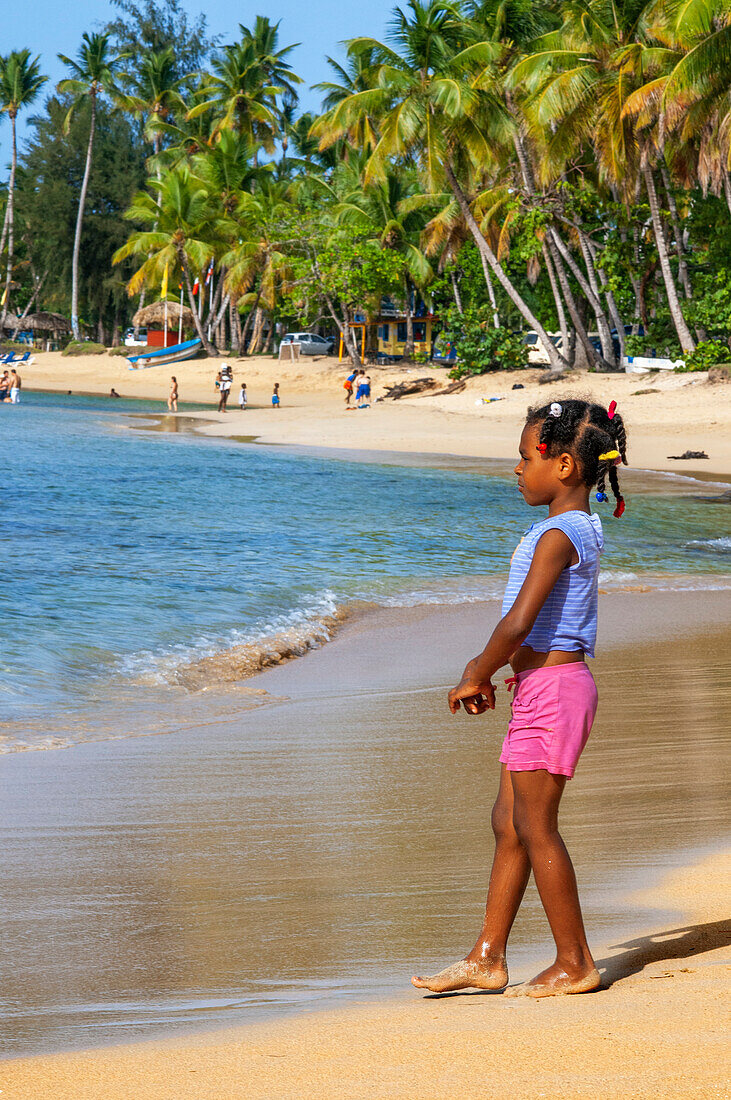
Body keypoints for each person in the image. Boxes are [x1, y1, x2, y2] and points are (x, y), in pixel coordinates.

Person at [412, 398, 628, 1000]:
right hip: (539, 687)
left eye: (524, 457)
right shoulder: (564, 528)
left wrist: (476, 671)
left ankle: (575, 960)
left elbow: (518, 623)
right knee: (508, 821)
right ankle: (487, 956)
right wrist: (500, 674)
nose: (516, 470)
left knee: (536, 823)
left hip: (555, 690)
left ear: (563, 465)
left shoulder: (562, 533)